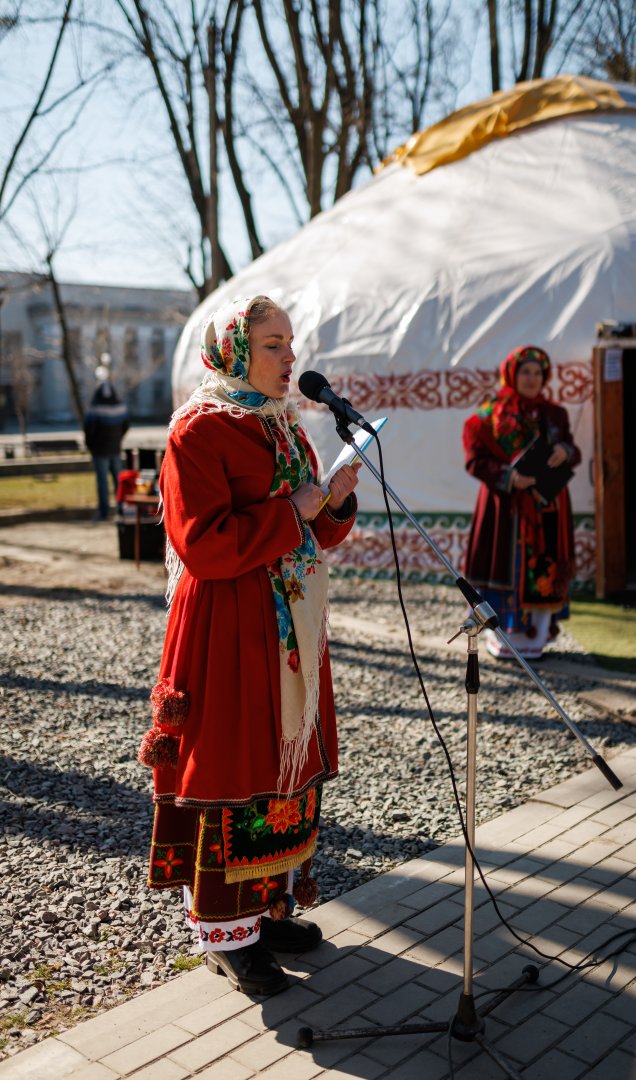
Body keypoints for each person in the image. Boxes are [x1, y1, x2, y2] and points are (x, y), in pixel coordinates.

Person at [137, 295, 359, 996]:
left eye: (290, 343)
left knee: (283, 761)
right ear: (234, 350)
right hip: (230, 628)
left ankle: (268, 909)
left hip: (289, 627)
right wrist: (289, 511)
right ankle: (225, 934)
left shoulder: (287, 426)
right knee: (235, 765)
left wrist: (335, 501)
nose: (290, 357)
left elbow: (310, 531)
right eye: (273, 345)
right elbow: (200, 545)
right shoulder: (196, 432)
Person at [462, 345, 580, 660]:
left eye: (537, 372)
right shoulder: (489, 416)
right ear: (511, 374)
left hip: (547, 505)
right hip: (507, 509)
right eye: (525, 371)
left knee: (543, 568)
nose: (531, 378)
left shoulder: (555, 413)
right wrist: (509, 477)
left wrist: (564, 452)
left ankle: (537, 638)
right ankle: (504, 638)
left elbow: (573, 449)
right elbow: (475, 460)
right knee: (508, 564)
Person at [83, 362, 130, 521]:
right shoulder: (118, 403)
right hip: (115, 449)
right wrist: (118, 439)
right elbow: (126, 425)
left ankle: (104, 512)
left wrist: (91, 445)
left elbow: (89, 429)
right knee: (119, 483)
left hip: (100, 451)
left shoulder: (95, 406)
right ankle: (121, 511)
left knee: (102, 483)